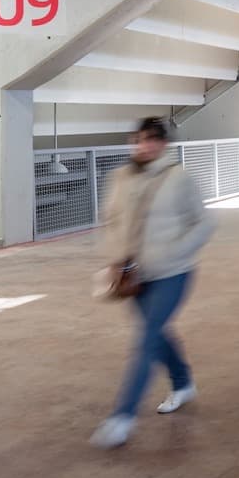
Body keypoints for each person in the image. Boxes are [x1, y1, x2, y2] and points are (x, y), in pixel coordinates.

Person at [91, 117, 213, 448]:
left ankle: (122, 417)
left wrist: (177, 251)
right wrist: (116, 255)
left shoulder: (180, 178)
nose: (145, 146)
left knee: (146, 339)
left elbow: (204, 223)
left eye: (152, 140)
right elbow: (111, 220)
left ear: (163, 143)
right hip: (134, 275)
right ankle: (183, 382)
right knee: (156, 334)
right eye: (140, 139)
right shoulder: (119, 177)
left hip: (174, 272)